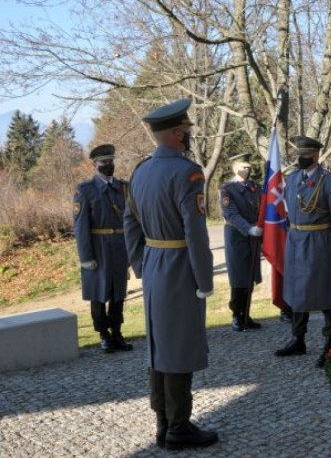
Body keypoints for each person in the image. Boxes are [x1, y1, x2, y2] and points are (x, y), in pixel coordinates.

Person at [123, 98, 217, 449]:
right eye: (187, 130)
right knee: (177, 346)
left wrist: (141, 265)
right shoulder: (187, 172)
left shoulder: (140, 172)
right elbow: (195, 232)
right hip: (179, 267)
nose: (189, 135)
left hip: (154, 266)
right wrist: (204, 281)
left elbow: (129, 224)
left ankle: (163, 421)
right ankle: (178, 427)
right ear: (178, 133)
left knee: (159, 346)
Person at [275, 136, 331, 368]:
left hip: (319, 240)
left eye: (304, 155)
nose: (299, 159)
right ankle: (298, 339)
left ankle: (330, 341)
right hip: (295, 240)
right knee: (297, 291)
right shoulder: (293, 179)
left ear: (315, 156)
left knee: (325, 291)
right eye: (298, 154)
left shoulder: (330, 182)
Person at [73, 144, 132, 353]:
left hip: (119, 247)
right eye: (104, 162)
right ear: (95, 164)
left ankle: (117, 332)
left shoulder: (123, 188)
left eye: (110, 161)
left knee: (118, 294)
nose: (108, 165)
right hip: (98, 248)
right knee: (98, 294)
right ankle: (103, 334)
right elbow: (80, 227)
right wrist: (85, 256)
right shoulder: (85, 191)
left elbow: (131, 221)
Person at [219, 153, 263, 332]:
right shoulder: (227, 189)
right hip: (237, 236)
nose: (247, 169)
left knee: (250, 275)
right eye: (242, 166)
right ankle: (237, 314)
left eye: (248, 166)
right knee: (238, 277)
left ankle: (246, 313)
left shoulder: (255, 187)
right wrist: (248, 229)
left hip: (254, 235)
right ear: (234, 168)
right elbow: (231, 214)